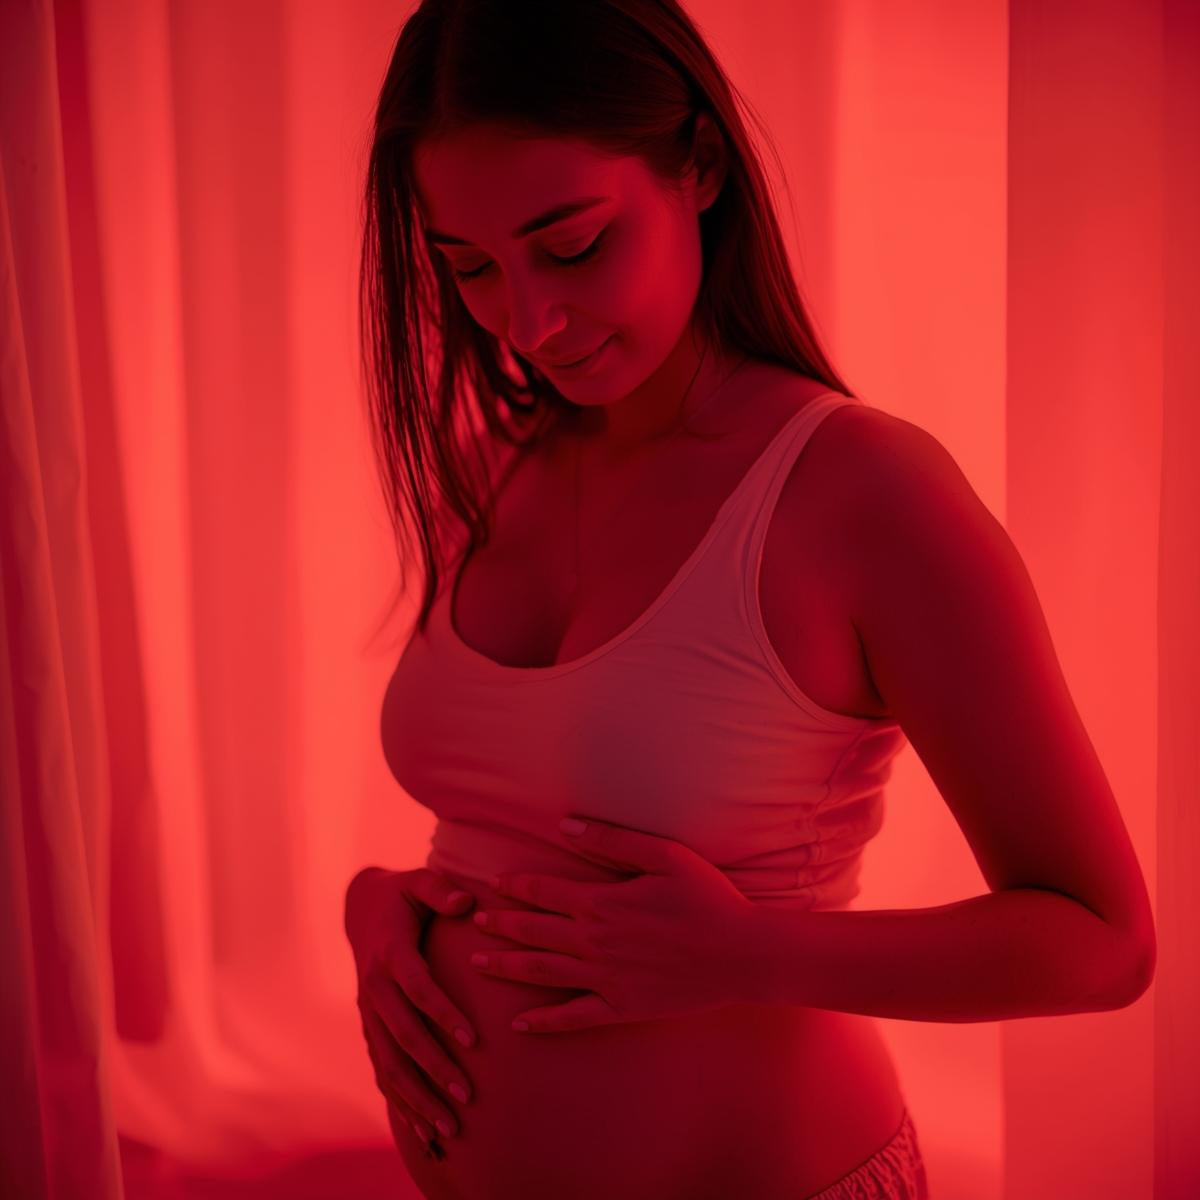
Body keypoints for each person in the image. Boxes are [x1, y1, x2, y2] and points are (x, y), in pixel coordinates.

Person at [344, 3, 1155, 1198]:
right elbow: (505, 828)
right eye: (468, 266)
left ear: (703, 166)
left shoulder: (862, 491)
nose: (527, 320)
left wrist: (746, 953)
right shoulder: (492, 464)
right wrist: (378, 915)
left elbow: (1102, 943)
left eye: (573, 246)